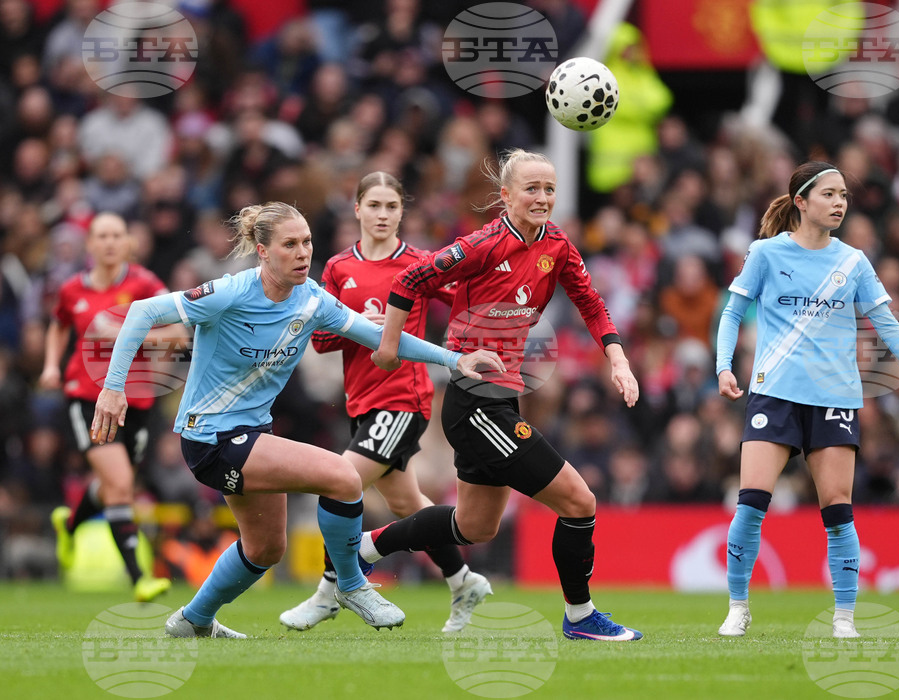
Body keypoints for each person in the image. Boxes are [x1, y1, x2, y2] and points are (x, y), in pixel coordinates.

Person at [90, 202, 503, 638]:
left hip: (251, 434)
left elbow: (386, 341)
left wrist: (455, 360)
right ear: (263, 251)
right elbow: (141, 313)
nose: (303, 252)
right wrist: (113, 387)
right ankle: (351, 584)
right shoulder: (229, 292)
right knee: (342, 477)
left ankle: (193, 621)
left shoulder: (312, 299)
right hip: (211, 437)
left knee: (265, 549)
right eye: (290, 244)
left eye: (306, 241)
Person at [364, 149, 644, 642]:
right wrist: (389, 348)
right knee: (579, 501)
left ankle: (363, 547)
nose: (542, 198)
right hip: (475, 402)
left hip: (499, 400)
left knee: (475, 526)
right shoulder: (482, 243)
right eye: (531, 189)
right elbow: (411, 279)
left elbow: (591, 303)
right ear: (506, 196)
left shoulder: (557, 246)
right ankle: (581, 617)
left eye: (550, 189)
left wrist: (619, 360)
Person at [714, 162, 899, 639]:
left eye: (843, 194)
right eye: (829, 194)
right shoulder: (765, 253)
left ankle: (844, 617)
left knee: (838, 510)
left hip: (834, 397)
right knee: (751, 504)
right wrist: (724, 366)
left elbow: (888, 324)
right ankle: (737, 607)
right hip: (775, 394)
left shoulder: (853, 261)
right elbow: (732, 312)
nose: (840, 203)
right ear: (801, 202)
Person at [279, 172, 492, 634]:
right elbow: (318, 340)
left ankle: (328, 593)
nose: (382, 214)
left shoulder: (418, 263)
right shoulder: (337, 267)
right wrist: (359, 324)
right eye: (373, 205)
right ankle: (462, 580)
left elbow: (466, 302)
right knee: (408, 506)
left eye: (391, 207)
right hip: (362, 402)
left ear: (402, 212)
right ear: (356, 209)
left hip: (403, 400)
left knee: (338, 482)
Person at [42, 212, 177, 602]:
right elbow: (59, 324)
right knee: (120, 486)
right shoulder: (71, 290)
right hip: (86, 396)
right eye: (102, 236)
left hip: (136, 399)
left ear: (127, 242)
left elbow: (177, 331)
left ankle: (69, 525)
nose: (110, 242)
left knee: (115, 485)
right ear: (90, 244)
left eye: (118, 235)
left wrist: (128, 332)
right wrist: (52, 365)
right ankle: (140, 579)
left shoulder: (145, 284)